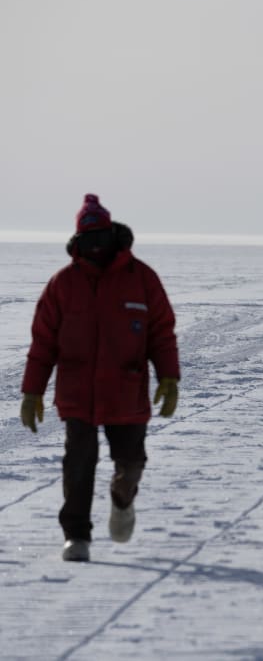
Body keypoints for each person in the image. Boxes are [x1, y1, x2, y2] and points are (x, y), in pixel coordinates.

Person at [20, 194, 180, 562]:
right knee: (78, 464)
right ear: (78, 241)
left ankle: (123, 501)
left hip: (127, 391)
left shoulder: (142, 279)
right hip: (78, 393)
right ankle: (76, 536)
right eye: (88, 238)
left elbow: (162, 332)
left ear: (113, 235)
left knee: (131, 464)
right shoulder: (63, 284)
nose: (95, 245)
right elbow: (43, 343)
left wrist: (169, 377)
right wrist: (32, 392)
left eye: (101, 236)